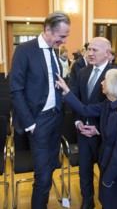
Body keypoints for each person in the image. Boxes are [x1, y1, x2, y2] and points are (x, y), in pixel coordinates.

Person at [10, 11, 71, 209]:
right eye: (61, 36)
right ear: (47, 29)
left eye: (65, 37)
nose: (63, 41)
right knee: (43, 178)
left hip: (56, 119)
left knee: (50, 169)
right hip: (38, 123)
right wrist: (31, 123)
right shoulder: (25, 50)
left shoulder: (53, 51)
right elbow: (16, 90)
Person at [56, 69, 117, 209]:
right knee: (107, 203)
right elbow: (85, 110)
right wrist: (67, 90)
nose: (102, 82)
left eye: (105, 80)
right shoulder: (110, 103)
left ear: (114, 86)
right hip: (107, 163)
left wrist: (108, 178)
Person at [69, 37, 113, 209]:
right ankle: (87, 201)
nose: (90, 53)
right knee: (84, 171)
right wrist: (78, 121)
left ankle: (106, 202)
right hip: (83, 132)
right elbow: (77, 100)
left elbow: (114, 109)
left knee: (105, 172)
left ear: (107, 53)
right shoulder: (83, 72)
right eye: (89, 49)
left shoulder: (115, 74)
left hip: (103, 134)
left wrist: (98, 129)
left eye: (95, 50)